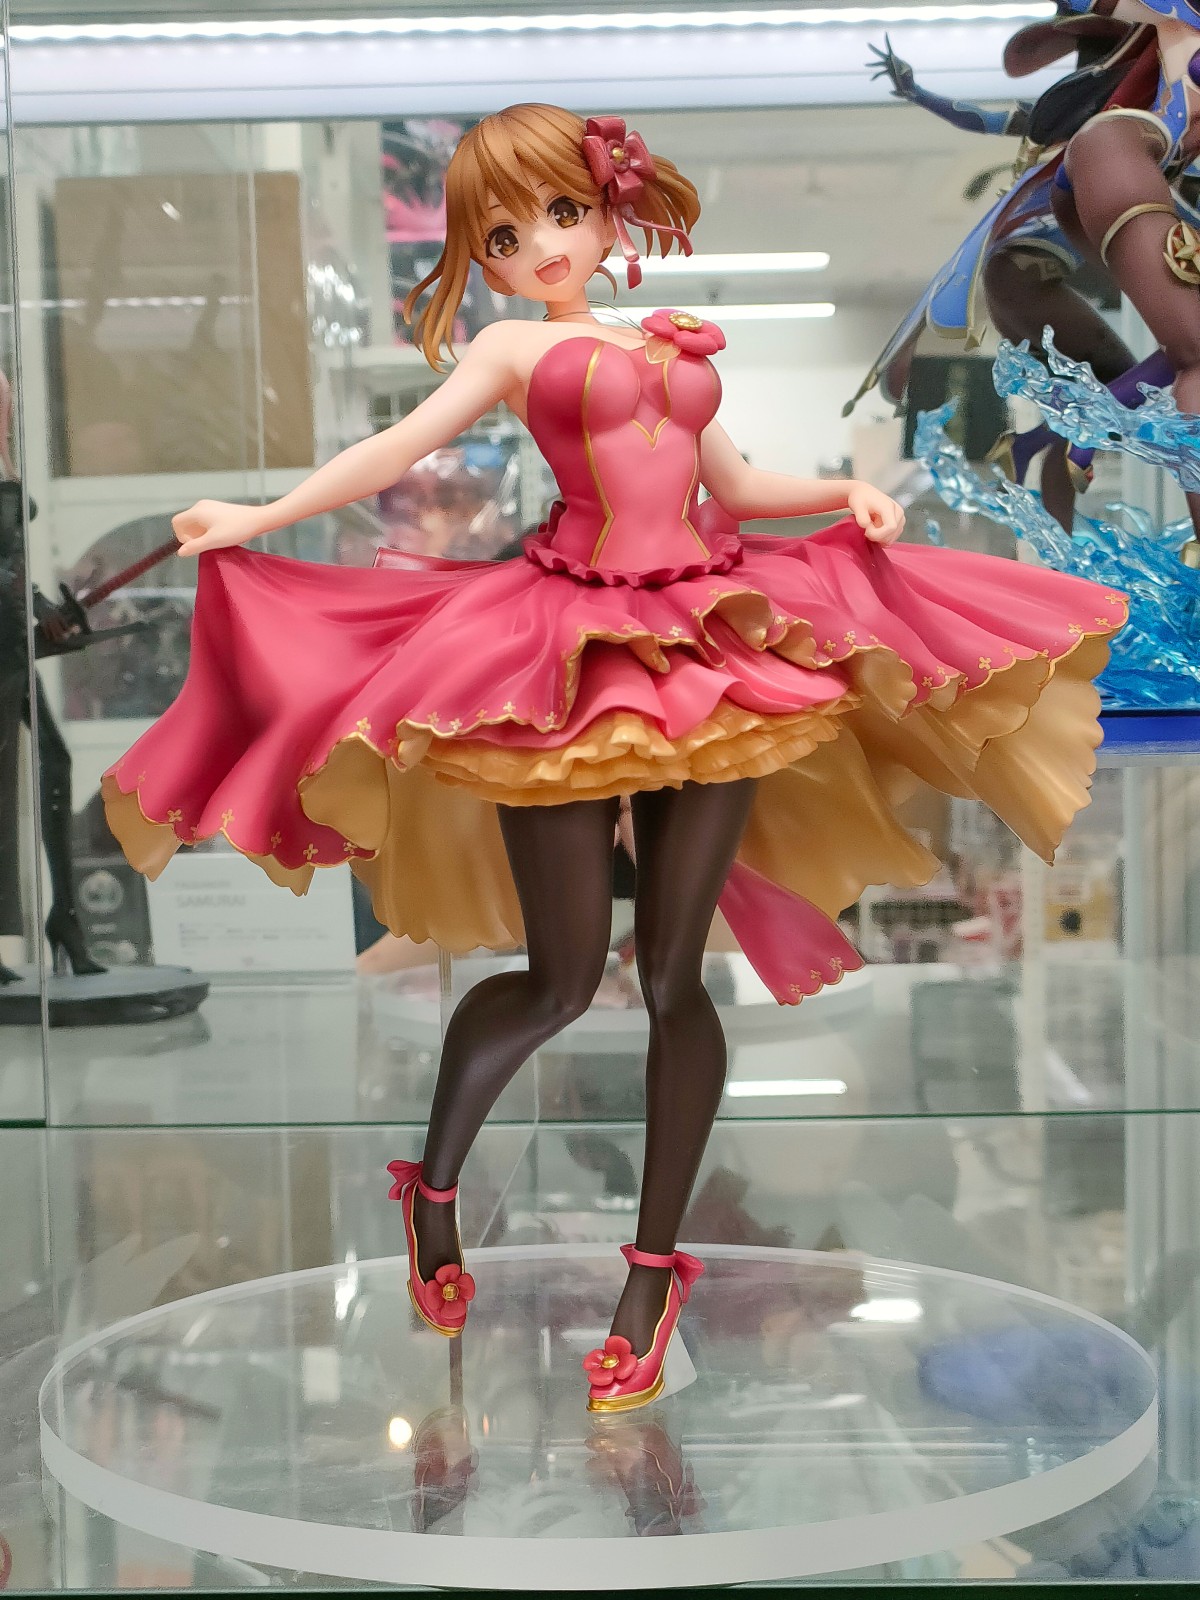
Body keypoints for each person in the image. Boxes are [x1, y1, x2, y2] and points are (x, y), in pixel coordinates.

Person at [102, 103, 1126, 1413]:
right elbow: (393, 453)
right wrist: (263, 513)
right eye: (503, 234)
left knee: (678, 975)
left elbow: (734, 490)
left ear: (604, 211)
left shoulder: (667, 342)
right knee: (561, 977)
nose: (540, 246)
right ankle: (432, 1183)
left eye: (560, 213)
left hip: (707, 637)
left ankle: (652, 1275)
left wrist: (843, 495)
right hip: (565, 645)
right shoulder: (510, 346)